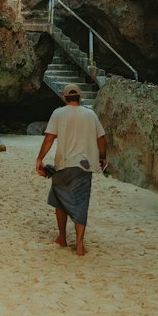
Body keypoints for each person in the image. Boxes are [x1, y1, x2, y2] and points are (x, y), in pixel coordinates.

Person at [35, 84, 107, 256]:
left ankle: (62, 238)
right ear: (80, 97)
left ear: (64, 98)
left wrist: (40, 159)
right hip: (84, 166)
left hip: (63, 165)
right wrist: (102, 157)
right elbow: (102, 138)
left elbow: (49, 139)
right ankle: (80, 245)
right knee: (81, 202)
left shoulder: (58, 113)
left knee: (59, 199)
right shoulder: (91, 115)